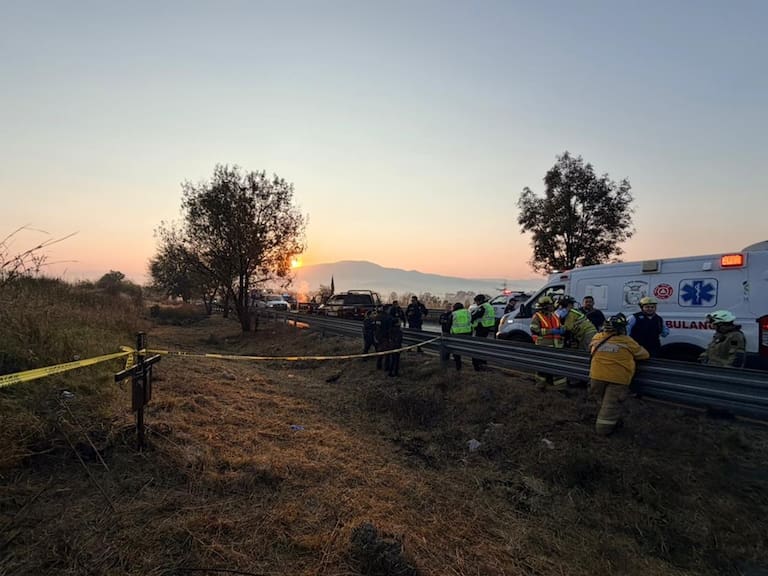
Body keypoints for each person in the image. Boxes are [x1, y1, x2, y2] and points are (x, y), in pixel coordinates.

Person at [588, 313, 650, 435]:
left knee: (600, 401)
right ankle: (603, 431)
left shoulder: (597, 337)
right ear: (621, 328)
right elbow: (644, 355)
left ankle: (594, 420)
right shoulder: (627, 341)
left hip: (596, 376)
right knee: (610, 405)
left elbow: (591, 349)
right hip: (618, 379)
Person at [529, 296, 567, 391]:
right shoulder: (537, 316)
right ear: (545, 307)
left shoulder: (554, 315)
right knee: (543, 368)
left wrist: (562, 329)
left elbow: (559, 326)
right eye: (550, 305)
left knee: (558, 367)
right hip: (544, 346)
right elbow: (535, 330)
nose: (552, 306)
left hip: (557, 346)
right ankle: (540, 386)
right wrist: (551, 331)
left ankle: (560, 388)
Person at [470, 294, 495, 371]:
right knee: (482, 344)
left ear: (480, 300)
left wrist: (470, 318)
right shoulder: (489, 306)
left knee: (478, 345)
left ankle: (480, 361)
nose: (476, 303)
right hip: (487, 327)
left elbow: (475, 316)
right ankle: (482, 361)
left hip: (482, 327)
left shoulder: (483, 307)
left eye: (476, 301)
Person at [449, 302, 472, 371]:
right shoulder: (468, 312)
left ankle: (458, 367)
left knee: (456, 351)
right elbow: (471, 320)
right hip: (468, 333)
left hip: (457, 334)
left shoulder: (454, 314)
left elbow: (448, 324)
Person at [375, 305, 393, 371]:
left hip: (378, 337)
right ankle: (386, 367)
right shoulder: (388, 317)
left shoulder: (377, 317)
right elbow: (390, 328)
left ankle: (378, 366)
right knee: (387, 353)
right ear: (387, 309)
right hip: (386, 337)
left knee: (380, 352)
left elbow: (375, 327)